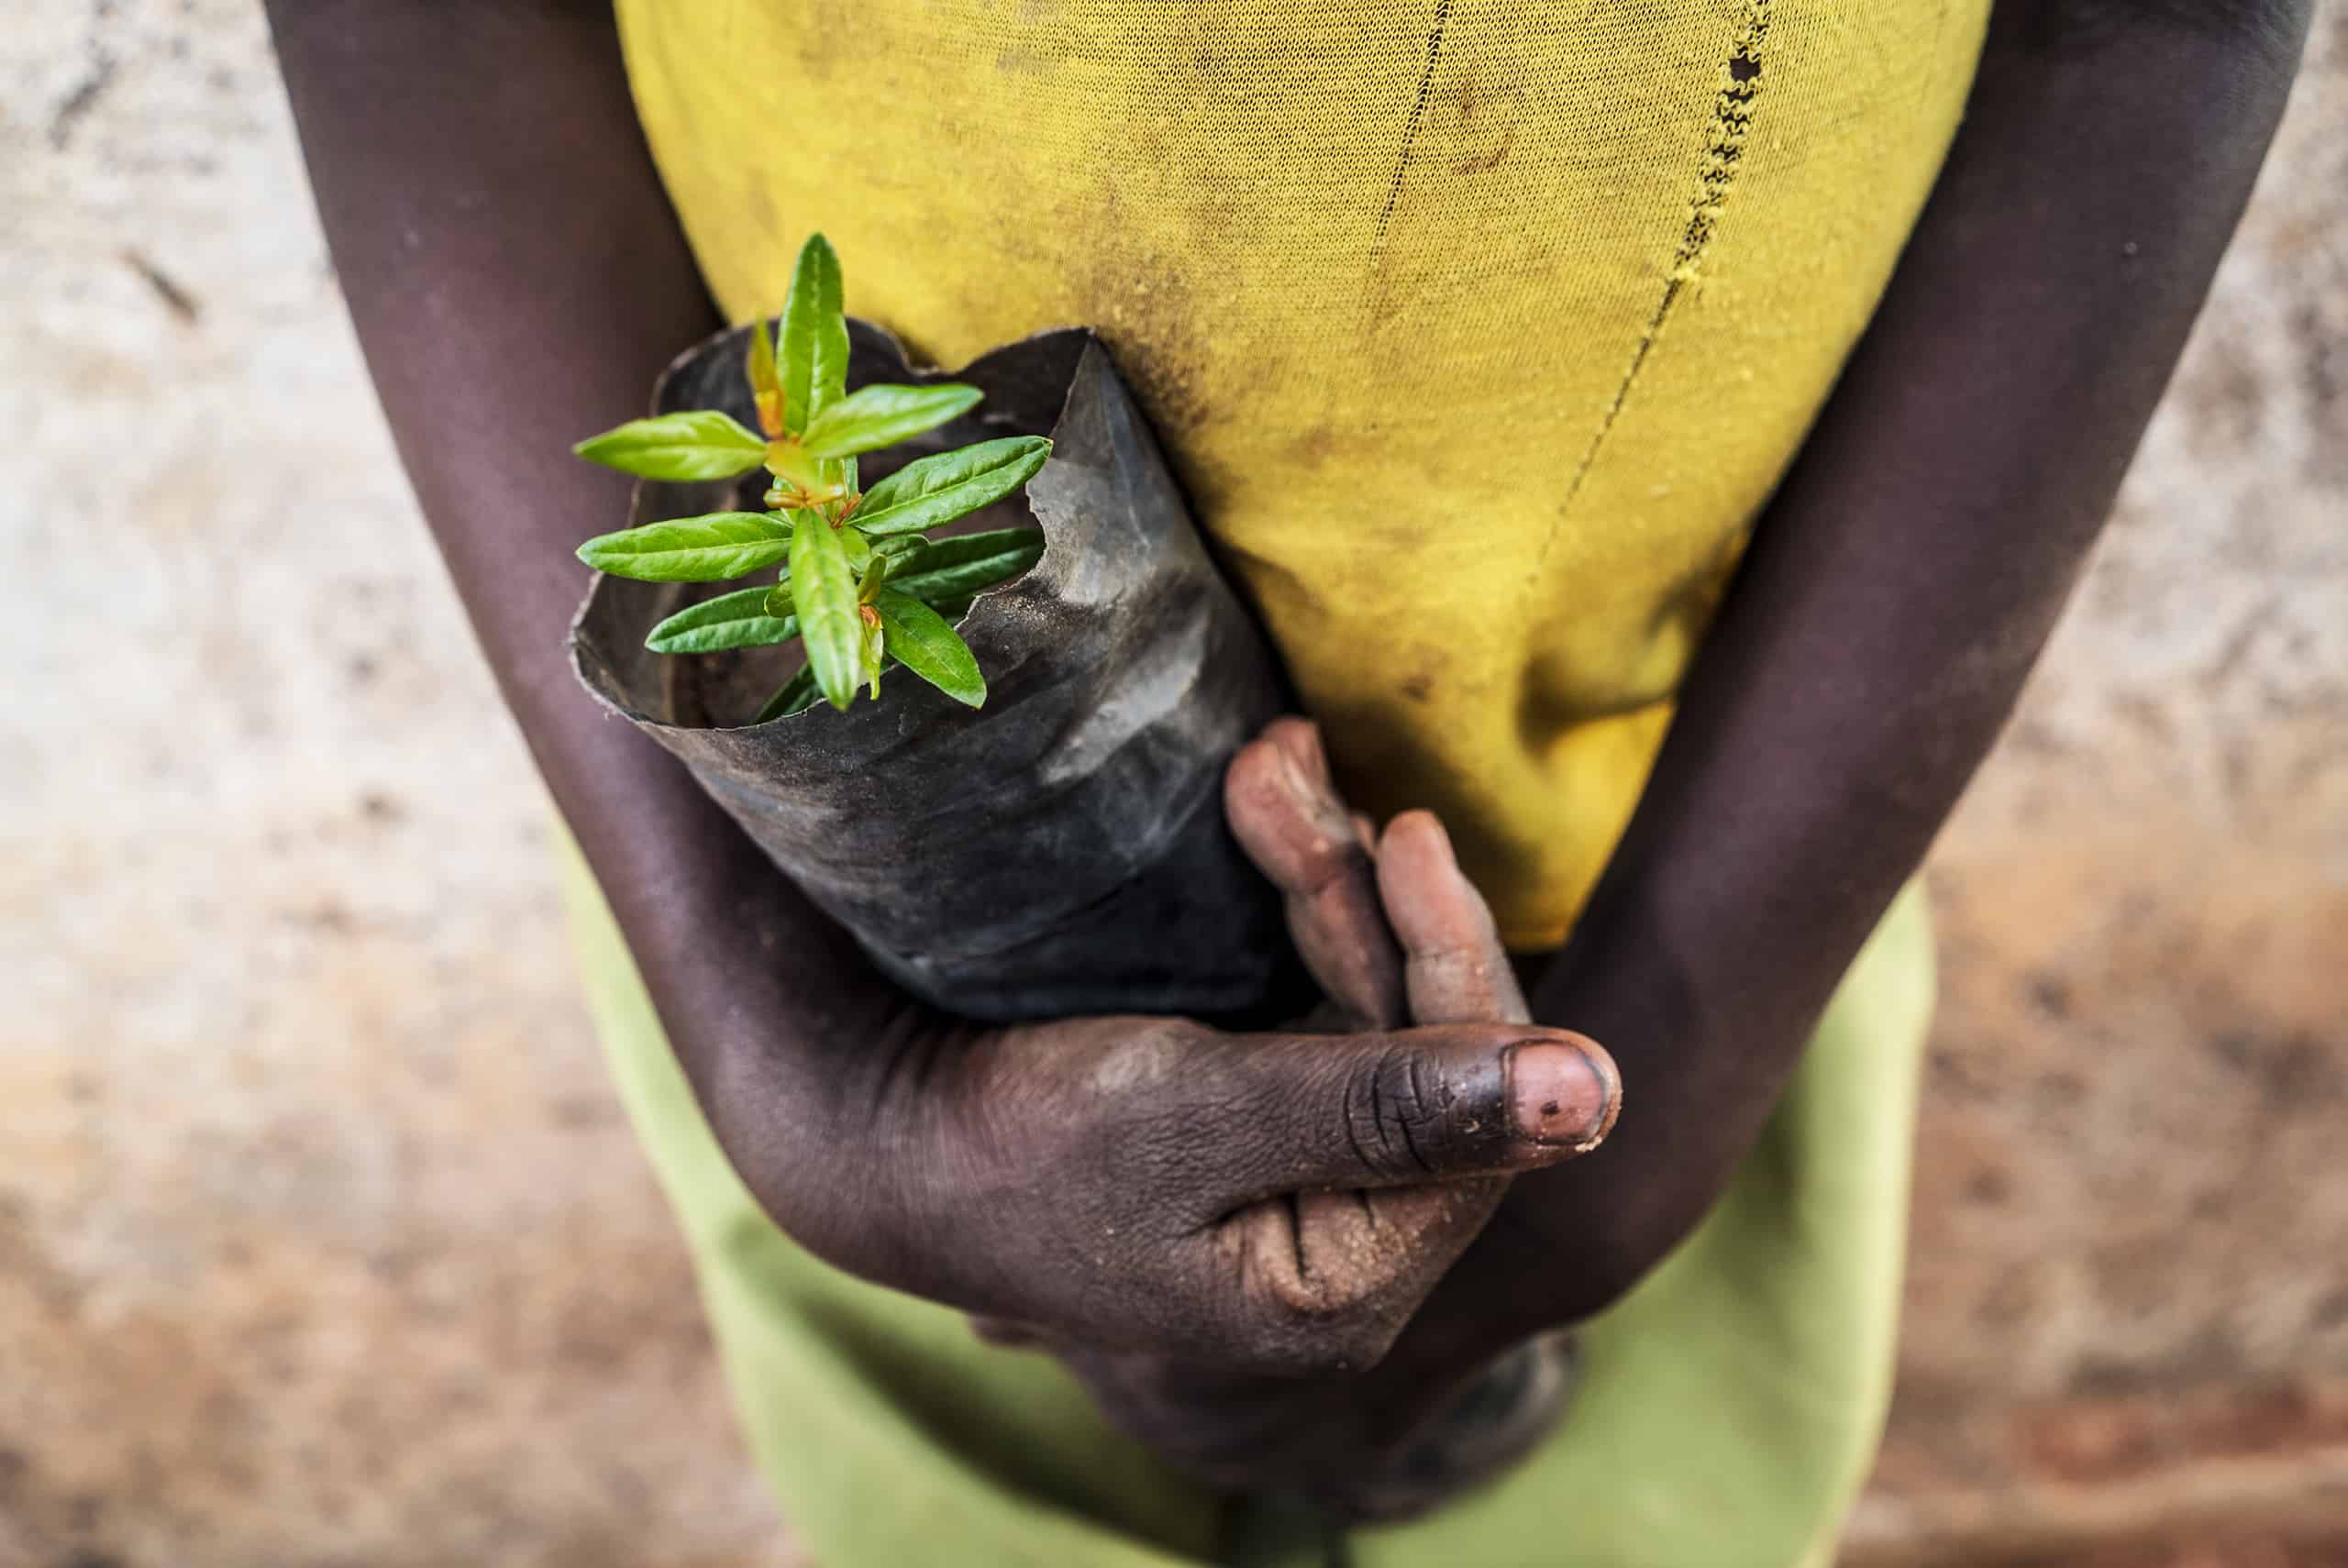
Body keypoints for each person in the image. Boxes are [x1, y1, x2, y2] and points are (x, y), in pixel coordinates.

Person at [267, 2, 2311, 1562]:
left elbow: (2165, 19)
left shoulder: (1692, 991)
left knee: (1623, 1492)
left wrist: (1657, 1116)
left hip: (1704, 845)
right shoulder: (806, 1017)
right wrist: (802, 1072)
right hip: (856, 869)